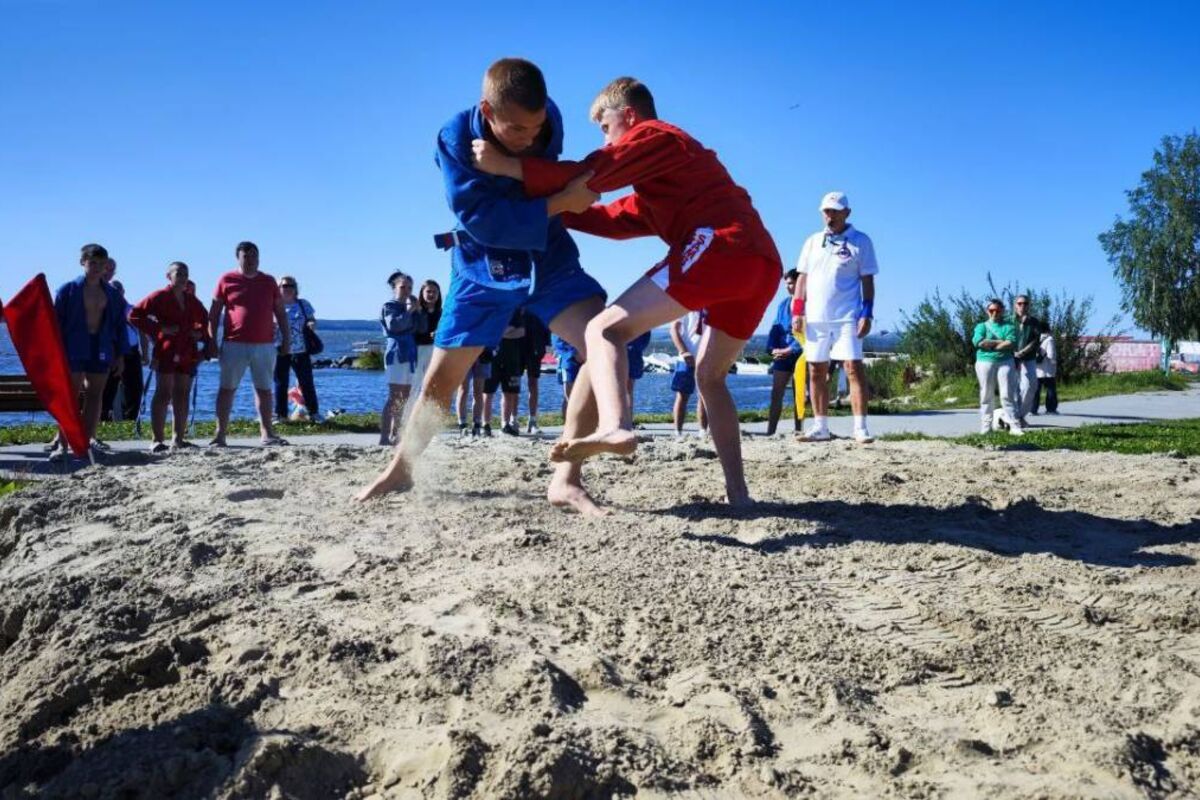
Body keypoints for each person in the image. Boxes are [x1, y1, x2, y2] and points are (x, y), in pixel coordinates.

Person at [474, 76, 781, 506]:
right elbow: (610, 219)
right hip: (762, 265)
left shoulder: (657, 135)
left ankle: (617, 425)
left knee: (604, 329)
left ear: (629, 116)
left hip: (724, 244)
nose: (606, 138)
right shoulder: (664, 181)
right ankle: (739, 494)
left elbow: (592, 170)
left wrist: (509, 168)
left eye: (605, 126)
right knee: (710, 377)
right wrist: (548, 212)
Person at [356, 58, 607, 513]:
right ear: (487, 112)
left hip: (546, 257)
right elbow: (484, 222)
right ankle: (402, 469)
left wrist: (534, 178)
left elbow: (545, 177)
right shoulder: (453, 138)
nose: (531, 138)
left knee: (606, 339)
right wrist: (561, 202)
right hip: (481, 262)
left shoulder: (546, 119)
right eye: (517, 129)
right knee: (441, 379)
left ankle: (566, 478)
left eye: (536, 129)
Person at [791, 192, 879, 444]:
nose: (830, 216)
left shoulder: (860, 241)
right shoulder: (812, 241)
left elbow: (867, 279)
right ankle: (820, 427)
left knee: (852, 367)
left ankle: (860, 427)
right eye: (826, 211)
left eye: (835, 211)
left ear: (847, 213)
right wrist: (798, 311)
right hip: (816, 317)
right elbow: (802, 278)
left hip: (847, 316)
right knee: (816, 369)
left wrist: (867, 312)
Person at [209, 241, 291, 447]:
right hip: (233, 343)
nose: (251, 260)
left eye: (254, 255)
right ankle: (220, 434)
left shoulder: (269, 281)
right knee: (227, 388)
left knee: (264, 389)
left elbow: (280, 313)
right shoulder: (227, 279)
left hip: (264, 345)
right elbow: (214, 313)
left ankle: (267, 433)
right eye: (246, 256)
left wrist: (287, 340)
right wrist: (211, 340)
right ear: (238, 258)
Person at [51, 244, 127, 458]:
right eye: (92, 262)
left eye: (101, 264)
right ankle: (63, 444)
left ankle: (86, 442)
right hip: (74, 346)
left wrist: (120, 355)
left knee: (95, 395)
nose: (97, 268)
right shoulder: (68, 290)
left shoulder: (112, 294)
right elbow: (55, 323)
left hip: (100, 346)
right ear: (82, 262)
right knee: (70, 396)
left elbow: (120, 326)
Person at [129, 261, 211, 452]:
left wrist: (200, 333)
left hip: (186, 350)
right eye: (178, 274)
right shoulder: (159, 296)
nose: (182, 278)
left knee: (182, 394)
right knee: (163, 392)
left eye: (185, 274)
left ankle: (178, 439)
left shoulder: (191, 299)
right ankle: (157, 439)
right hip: (166, 349)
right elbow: (134, 315)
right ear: (169, 276)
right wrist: (159, 329)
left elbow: (204, 319)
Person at [379, 271, 422, 446]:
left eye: (410, 288)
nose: (407, 291)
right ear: (394, 288)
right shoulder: (390, 305)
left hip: (410, 352)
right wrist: (410, 310)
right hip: (397, 352)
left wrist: (418, 311)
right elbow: (395, 325)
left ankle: (396, 434)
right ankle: (384, 436)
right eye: (403, 287)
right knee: (394, 395)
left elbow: (421, 328)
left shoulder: (409, 307)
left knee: (404, 396)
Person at [100, 277, 148, 423]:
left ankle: (131, 420)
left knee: (135, 387)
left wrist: (145, 353)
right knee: (109, 386)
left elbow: (142, 332)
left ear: (123, 292)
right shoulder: (103, 310)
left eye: (118, 290)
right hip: (112, 352)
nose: (116, 293)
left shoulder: (132, 310)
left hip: (131, 352)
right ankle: (103, 418)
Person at [972, 298, 1024, 436]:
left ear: (1002, 311)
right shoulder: (981, 326)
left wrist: (991, 344)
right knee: (986, 394)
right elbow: (978, 342)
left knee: (1008, 394)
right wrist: (1000, 342)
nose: (994, 313)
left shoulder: (1009, 326)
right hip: (984, 362)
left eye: (998, 310)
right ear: (987, 311)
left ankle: (1014, 426)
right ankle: (986, 427)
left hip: (1005, 361)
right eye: (991, 310)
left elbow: (1011, 342)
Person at [273, 275, 320, 424]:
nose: (287, 289)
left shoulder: (303, 304)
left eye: (290, 286)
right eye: (283, 286)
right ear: (278, 288)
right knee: (280, 383)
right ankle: (280, 415)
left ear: (295, 288)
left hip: (301, 349)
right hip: (280, 349)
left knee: (307, 382)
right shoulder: (272, 304)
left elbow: (311, 318)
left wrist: (311, 324)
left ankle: (314, 413)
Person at [765, 269, 803, 435]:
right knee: (776, 393)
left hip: (800, 353)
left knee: (798, 394)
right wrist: (772, 348)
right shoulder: (783, 304)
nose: (788, 287)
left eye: (791, 283)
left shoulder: (808, 304)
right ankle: (770, 431)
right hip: (782, 354)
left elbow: (807, 332)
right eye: (786, 284)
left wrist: (790, 349)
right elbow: (775, 327)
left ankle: (798, 430)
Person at [670, 311, 708, 436]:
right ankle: (678, 432)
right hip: (687, 358)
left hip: (706, 357)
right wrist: (684, 351)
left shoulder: (713, 305)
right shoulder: (685, 306)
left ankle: (703, 431)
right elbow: (674, 330)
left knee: (705, 396)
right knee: (682, 395)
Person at [1012, 294, 1045, 425]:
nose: (1022, 306)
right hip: (1011, 357)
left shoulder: (1034, 322)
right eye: (1020, 303)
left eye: (1025, 303)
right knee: (1013, 388)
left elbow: (1035, 341)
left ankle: (1020, 414)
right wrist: (1013, 352)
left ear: (1029, 306)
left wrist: (1021, 353)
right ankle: (1013, 417)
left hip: (1028, 357)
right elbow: (1005, 338)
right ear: (1015, 305)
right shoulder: (1009, 321)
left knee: (1031, 385)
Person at [411, 279, 443, 396]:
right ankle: (410, 411)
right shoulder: (416, 311)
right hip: (417, 349)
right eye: (428, 291)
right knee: (415, 383)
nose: (431, 294)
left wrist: (439, 334)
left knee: (432, 383)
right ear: (422, 293)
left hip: (435, 350)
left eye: (434, 292)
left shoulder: (442, 313)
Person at [521, 311, 548, 434]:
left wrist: (544, 347)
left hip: (535, 349)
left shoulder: (539, 305)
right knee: (513, 386)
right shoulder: (518, 302)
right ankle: (511, 420)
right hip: (517, 347)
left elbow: (547, 327)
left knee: (533, 384)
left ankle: (532, 420)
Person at [457, 350, 491, 436]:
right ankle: (462, 424)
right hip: (464, 352)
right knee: (463, 390)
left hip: (483, 353)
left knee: (478, 391)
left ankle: (477, 424)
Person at [551, 334, 581, 417]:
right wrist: (574, 353)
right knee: (569, 397)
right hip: (568, 360)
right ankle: (569, 425)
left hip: (585, 358)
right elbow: (557, 342)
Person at [626, 330, 652, 416]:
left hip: (632, 352)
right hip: (633, 352)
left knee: (627, 389)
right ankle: (627, 421)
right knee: (627, 390)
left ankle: (627, 420)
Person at [1034, 328, 1059, 414]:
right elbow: (1051, 354)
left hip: (1037, 370)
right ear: (1048, 330)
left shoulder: (1035, 338)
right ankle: (1051, 409)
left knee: (1036, 391)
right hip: (1048, 371)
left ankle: (1033, 410)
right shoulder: (1049, 339)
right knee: (1050, 390)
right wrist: (1054, 362)